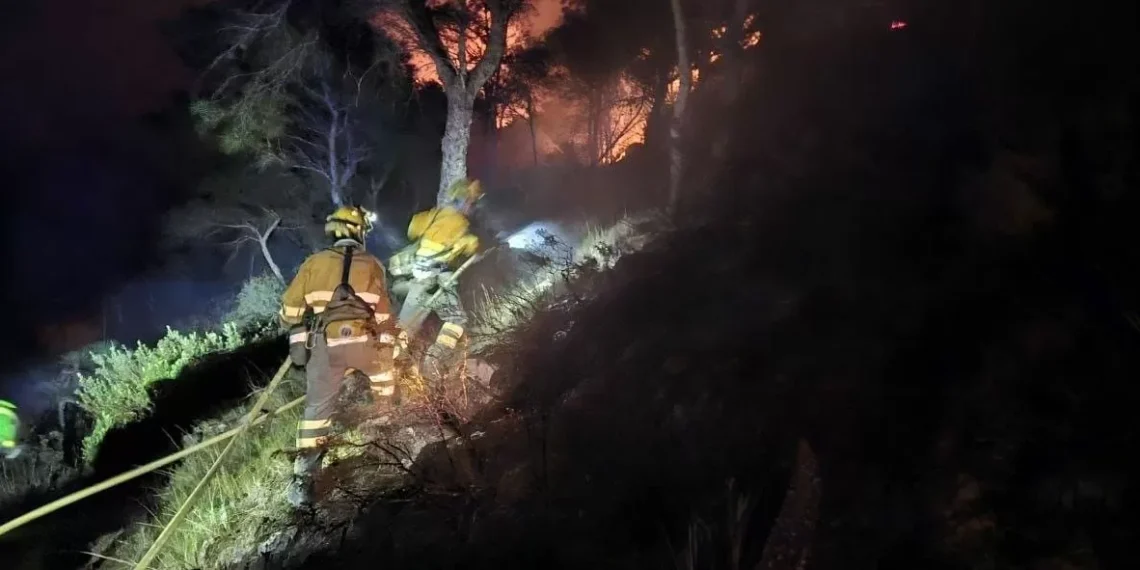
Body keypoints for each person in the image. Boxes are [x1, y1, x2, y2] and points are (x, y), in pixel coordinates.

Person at [278, 205, 397, 507]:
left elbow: (291, 308)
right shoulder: (372, 264)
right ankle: (388, 429)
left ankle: (304, 480)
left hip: (325, 346)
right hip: (363, 341)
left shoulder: (314, 263)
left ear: (334, 231)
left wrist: (294, 326)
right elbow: (383, 313)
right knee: (384, 376)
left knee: (317, 410)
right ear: (358, 232)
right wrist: (386, 342)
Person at [391, 179, 482, 380]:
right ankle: (434, 361)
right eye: (471, 202)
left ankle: (384, 368)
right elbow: (464, 245)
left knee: (405, 329)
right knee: (456, 321)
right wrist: (472, 243)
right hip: (437, 280)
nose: (471, 207)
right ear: (463, 201)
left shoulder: (434, 214)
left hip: (418, 278)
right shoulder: (458, 221)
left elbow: (413, 228)